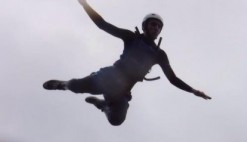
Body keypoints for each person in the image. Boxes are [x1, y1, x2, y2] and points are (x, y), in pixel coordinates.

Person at [43, 0, 211, 126]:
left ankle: (103, 105)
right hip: (108, 77)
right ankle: (63, 84)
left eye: (159, 27)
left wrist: (193, 91)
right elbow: (102, 25)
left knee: (116, 121)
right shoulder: (132, 37)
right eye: (153, 24)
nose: (156, 28)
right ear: (145, 26)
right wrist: (84, 4)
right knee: (75, 86)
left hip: (122, 91)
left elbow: (173, 79)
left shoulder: (159, 54)